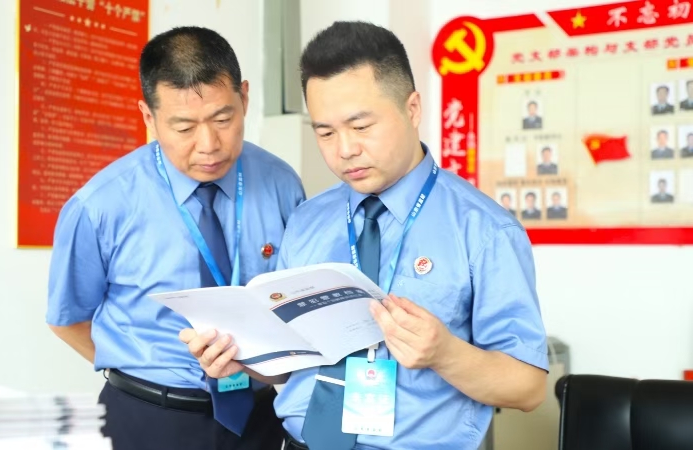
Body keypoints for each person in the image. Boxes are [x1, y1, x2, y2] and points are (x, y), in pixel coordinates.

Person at [181, 21, 548, 450]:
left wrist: (445, 354)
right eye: (325, 132)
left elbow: (528, 388)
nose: (345, 150)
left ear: (413, 109)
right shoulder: (307, 221)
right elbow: (293, 364)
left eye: (361, 126)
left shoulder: (483, 229)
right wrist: (240, 357)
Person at [46, 26, 305, 450]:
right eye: (184, 127)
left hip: (258, 414)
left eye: (223, 119)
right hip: (148, 418)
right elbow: (68, 320)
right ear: (149, 117)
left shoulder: (280, 183)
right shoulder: (101, 204)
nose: (209, 145)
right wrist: (143, 371)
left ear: (244, 98)